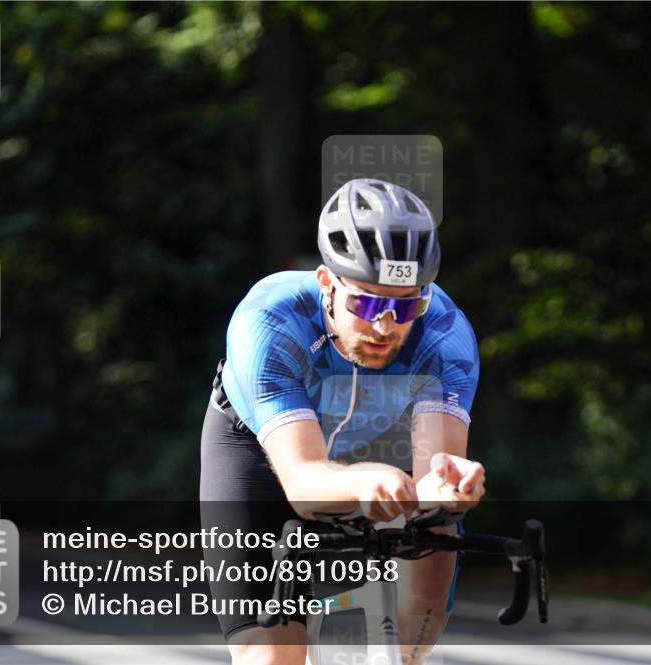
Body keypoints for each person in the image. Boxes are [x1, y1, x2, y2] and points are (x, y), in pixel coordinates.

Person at [200, 178, 485, 665]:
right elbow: (303, 482)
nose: (384, 325)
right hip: (265, 451)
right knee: (271, 658)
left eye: (405, 305)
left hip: (378, 445)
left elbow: (437, 465)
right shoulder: (269, 322)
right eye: (368, 303)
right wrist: (365, 477)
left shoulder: (445, 333)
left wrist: (448, 485)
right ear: (326, 283)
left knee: (427, 583)